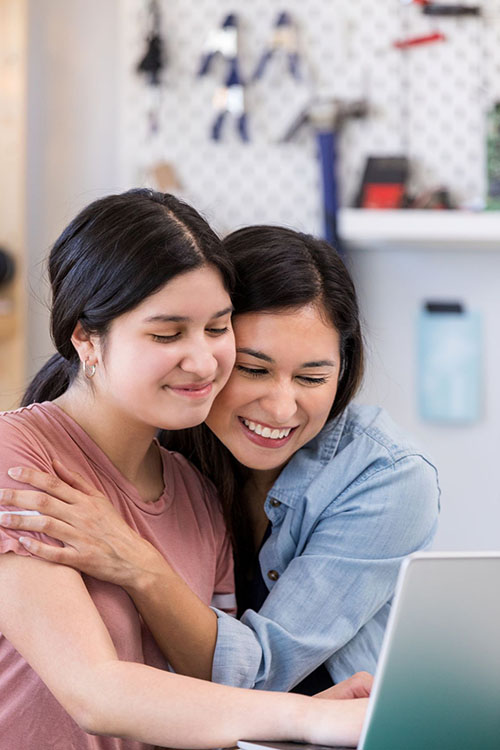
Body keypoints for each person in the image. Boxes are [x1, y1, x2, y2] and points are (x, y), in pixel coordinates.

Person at [0, 223, 440, 699]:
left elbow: (260, 675)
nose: (280, 407)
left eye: (312, 378)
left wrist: (133, 560)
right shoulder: (161, 432)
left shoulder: (385, 477)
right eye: (253, 369)